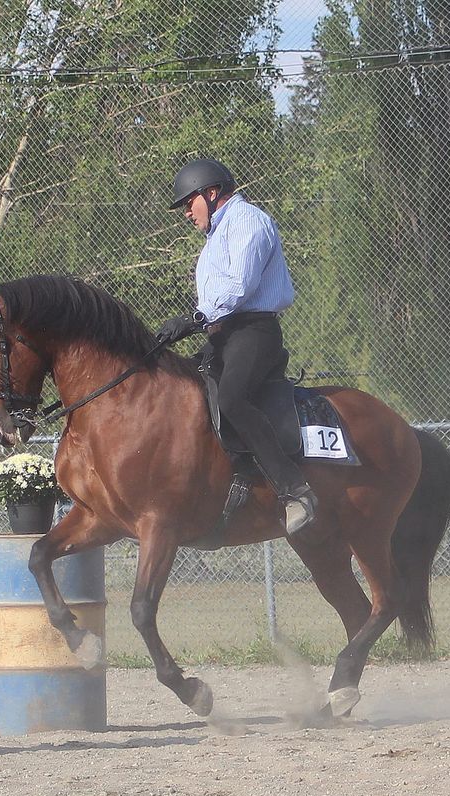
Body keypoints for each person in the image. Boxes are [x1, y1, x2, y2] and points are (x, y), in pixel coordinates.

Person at [156, 158, 318, 535]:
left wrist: (193, 319)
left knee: (231, 400)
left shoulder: (247, 220)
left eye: (188, 203)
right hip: (223, 335)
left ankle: (295, 490)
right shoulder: (217, 234)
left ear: (211, 194)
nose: (185, 213)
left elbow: (240, 287)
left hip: (254, 332)